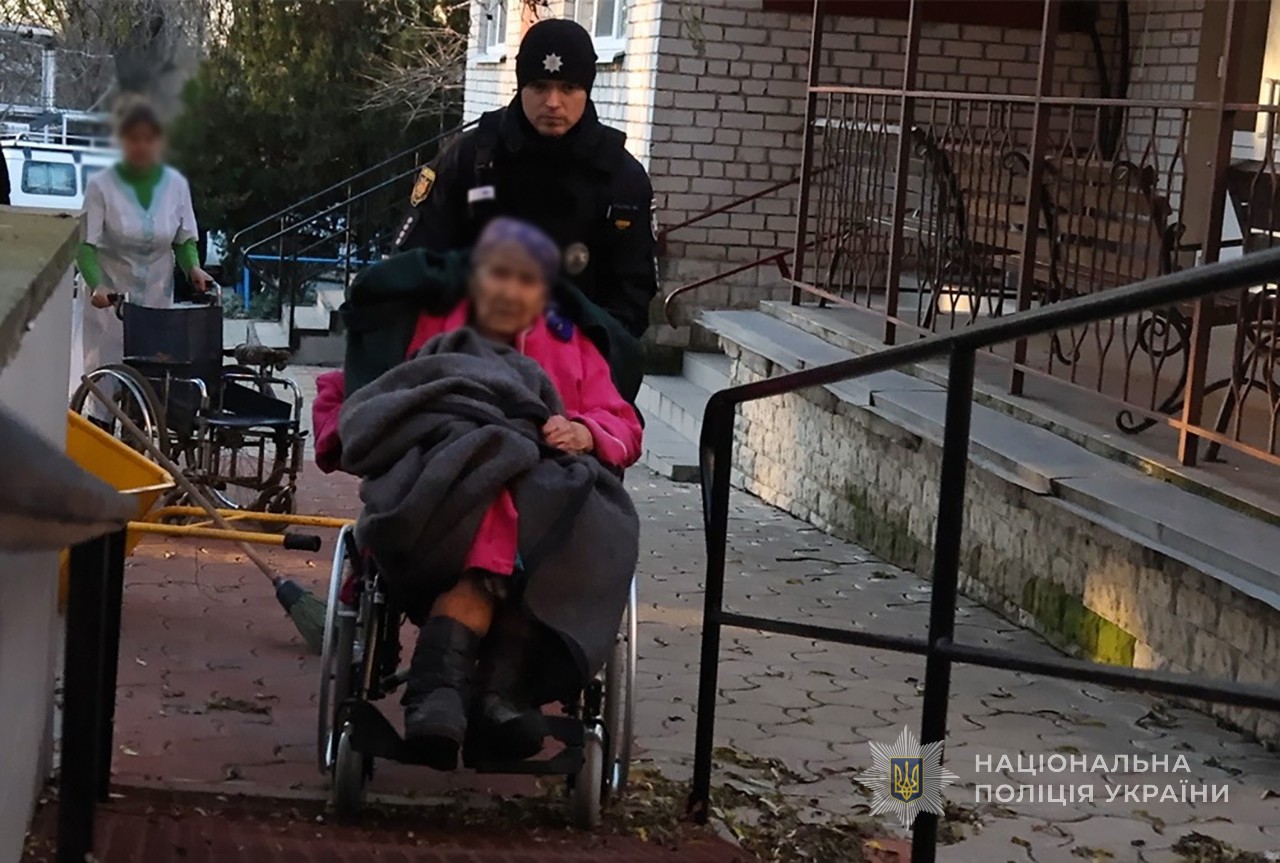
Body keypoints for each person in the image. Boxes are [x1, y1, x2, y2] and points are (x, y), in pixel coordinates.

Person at [313, 218, 642, 766]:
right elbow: (357, 389)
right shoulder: (433, 326)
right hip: (442, 493)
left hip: (550, 499)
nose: (510, 290)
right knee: (489, 486)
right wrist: (361, 435)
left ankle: (443, 694)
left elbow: (623, 423)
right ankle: (492, 700)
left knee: (525, 499)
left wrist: (585, 430)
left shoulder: (572, 343)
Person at [393, 18, 658, 340]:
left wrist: (576, 349)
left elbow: (631, 301)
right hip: (469, 349)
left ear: (587, 90)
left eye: (568, 88)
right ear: (521, 87)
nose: (553, 102)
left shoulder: (621, 178)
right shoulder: (470, 159)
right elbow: (414, 264)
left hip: (574, 356)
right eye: (539, 86)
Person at [76, 96, 213, 373]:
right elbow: (84, 245)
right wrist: (96, 285)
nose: (141, 146)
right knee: (107, 372)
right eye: (133, 138)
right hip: (110, 301)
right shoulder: (101, 186)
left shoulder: (176, 185)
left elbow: (183, 238)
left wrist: (193, 268)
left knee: (153, 371)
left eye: (148, 139)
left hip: (156, 298)